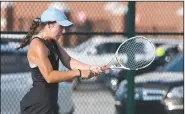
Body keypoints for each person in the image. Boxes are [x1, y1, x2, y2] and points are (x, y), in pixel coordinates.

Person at [17, 7, 104, 114]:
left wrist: (91, 68)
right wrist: (79, 72)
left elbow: (68, 60)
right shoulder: (37, 45)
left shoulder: (53, 42)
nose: (63, 31)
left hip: (49, 105)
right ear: (49, 24)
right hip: (37, 107)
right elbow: (49, 76)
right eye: (61, 27)